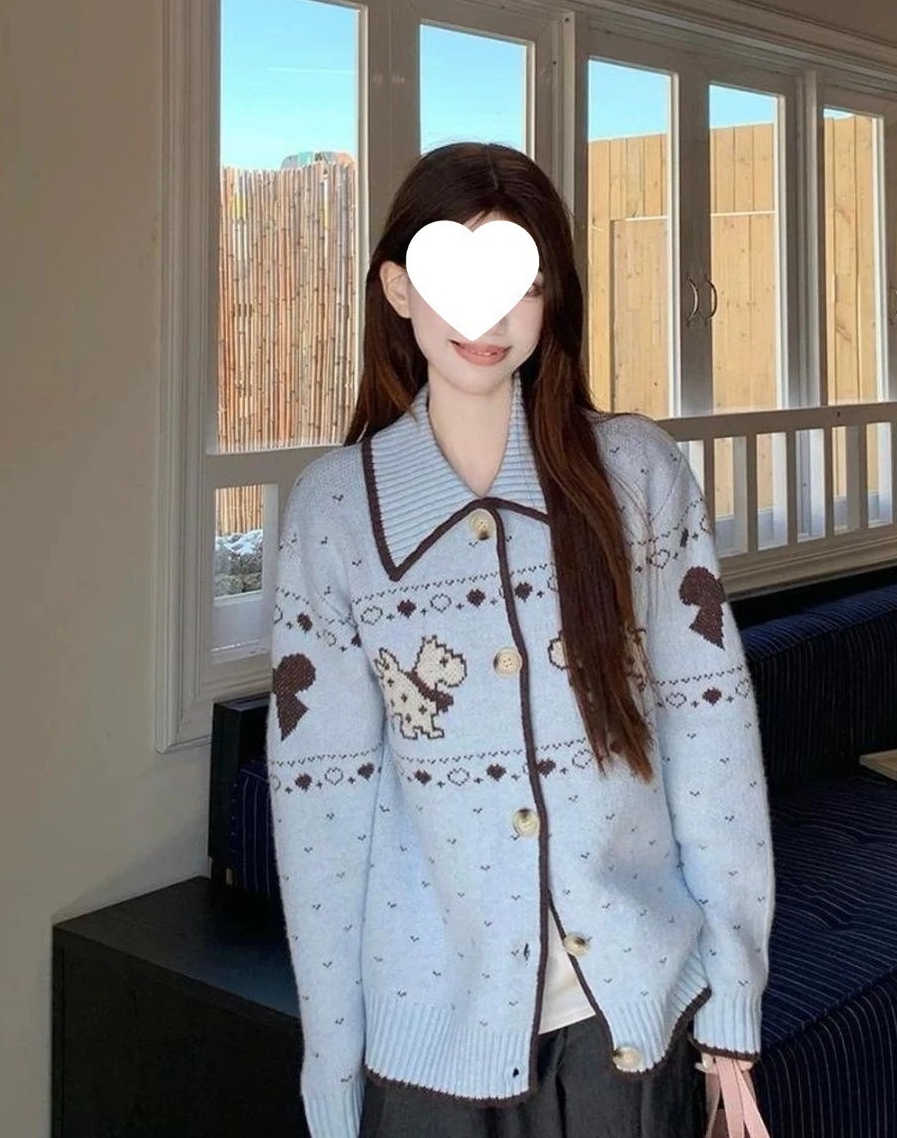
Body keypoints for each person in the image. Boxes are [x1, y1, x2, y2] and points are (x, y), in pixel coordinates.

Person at [266, 140, 775, 1138]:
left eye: (521, 283)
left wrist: (733, 1000)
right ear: (399, 290)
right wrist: (330, 1074)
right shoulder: (334, 511)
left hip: (630, 1030)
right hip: (426, 1044)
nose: (488, 316)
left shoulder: (637, 476)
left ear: (552, 300)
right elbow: (321, 812)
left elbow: (712, 741)